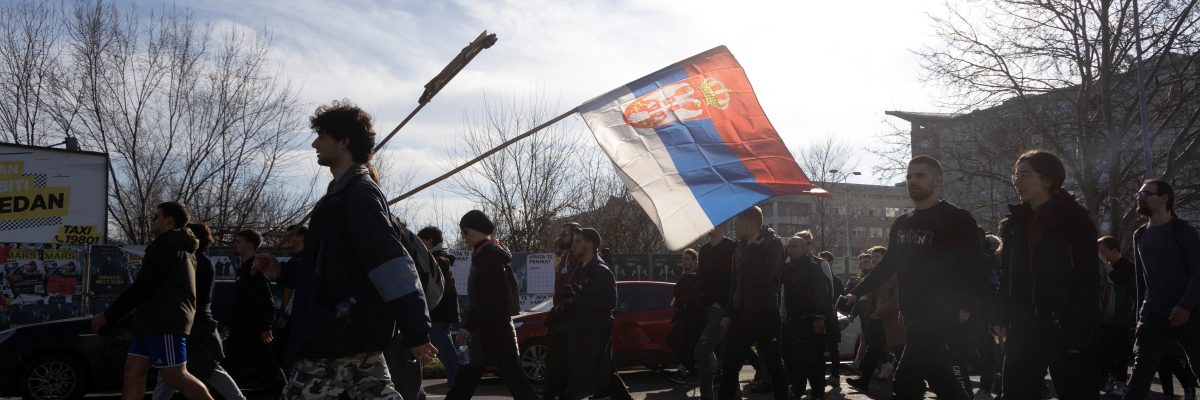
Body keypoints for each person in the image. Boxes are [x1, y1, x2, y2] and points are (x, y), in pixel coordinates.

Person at [260, 100, 436, 399]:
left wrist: (416, 330)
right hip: (348, 333)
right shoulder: (338, 197)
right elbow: (330, 267)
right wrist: (284, 271)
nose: (315, 143)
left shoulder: (358, 196)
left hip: (337, 335)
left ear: (343, 142)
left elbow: (392, 266)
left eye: (322, 136)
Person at [841, 156, 988, 400]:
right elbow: (889, 264)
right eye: (909, 176)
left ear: (938, 181)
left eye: (920, 176)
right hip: (911, 313)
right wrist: (857, 291)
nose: (912, 181)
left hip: (942, 310)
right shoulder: (902, 222)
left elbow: (974, 267)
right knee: (939, 375)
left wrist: (967, 306)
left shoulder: (956, 218)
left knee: (907, 379)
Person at [992, 150, 1100, 400]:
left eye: (1025, 175)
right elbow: (1007, 276)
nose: (1017, 181)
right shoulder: (1014, 224)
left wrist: (1080, 327)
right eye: (1015, 175)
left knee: (1076, 392)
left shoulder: (1073, 219)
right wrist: (1000, 313)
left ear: (1048, 180)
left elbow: (1088, 279)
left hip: (1064, 325)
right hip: (1023, 326)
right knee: (1016, 392)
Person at [90, 202, 213, 400]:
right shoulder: (175, 246)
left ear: (169, 221)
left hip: (164, 321)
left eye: (156, 216)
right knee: (133, 373)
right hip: (149, 320)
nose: (152, 221)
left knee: (174, 375)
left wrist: (108, 315)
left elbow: (145, 285)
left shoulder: (168, 245)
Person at [446, 210, 539, 400]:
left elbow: (485, 297)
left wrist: (469, 327)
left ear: (477, 230)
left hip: (489, 327)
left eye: (465, 231)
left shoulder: (487, 256)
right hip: (495, 326)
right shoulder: (490, 253)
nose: (464, 237)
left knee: (472, 376)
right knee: (504, 376)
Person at [1125, 179, 1200, 400]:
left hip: (1189, 313)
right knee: (1140, 376)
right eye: (1139, 193)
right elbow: (1142, 281)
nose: (1140, 197)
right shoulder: (1139, 235)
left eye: (1147, 193)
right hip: (1152, 315)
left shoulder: (1184, 230)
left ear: (1164, 198)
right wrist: (1139, 316)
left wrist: (1185, 305)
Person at [152, 223, 245, 400]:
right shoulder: (201, 260)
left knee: (182, 370)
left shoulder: (195, 261)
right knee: (194, 369)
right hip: (195, 323)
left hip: (192, 324)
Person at [718, 206, 788, 400]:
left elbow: (764, 277)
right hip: (741, 316)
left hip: (765, 315)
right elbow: (736, 282)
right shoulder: (739, 246)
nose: (734, 229)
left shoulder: (773, 245)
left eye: (737, 224)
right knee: (730, 366)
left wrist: (751, 250)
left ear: (748, 226)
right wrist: (728, 313)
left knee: (774, 366)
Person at [224, 229, 285, 391]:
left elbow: (267, 302)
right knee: (257, 360)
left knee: (262, 361)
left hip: (251, 329)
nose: (235, 244)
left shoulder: (256, 272)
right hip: (240, 327)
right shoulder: (245, 269)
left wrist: (265, 326)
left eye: (239, 241)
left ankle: (281, 388)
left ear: (250, 245)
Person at [782, 232, 838, 400]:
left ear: (805, 248)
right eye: (789, 246)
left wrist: (820, 317)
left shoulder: (813, 267)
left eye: (794, 246)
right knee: (791, 355)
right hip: (792, 320)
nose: (790, 249)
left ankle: (814, 391)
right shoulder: (787, 267)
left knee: (809, 358)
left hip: (809, 320)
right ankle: (801, 389)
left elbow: (822, 294)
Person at [846, 246, 904, 392]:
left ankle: (917, 382)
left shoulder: (895, 274)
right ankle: (864, 380)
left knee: (900, 351)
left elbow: (897, 300)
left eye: (877, 257)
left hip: (892, 320)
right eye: (872, 257)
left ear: (886, 258)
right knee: (874, 351)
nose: (873, 260)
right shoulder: (872, 277)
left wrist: (878, 312)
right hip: (876, 320)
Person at [694, 225, 736, 400]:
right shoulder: (703, 250)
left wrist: (725, 304)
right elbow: (701, 278)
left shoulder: (732, 247)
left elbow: (735, 279)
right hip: (707, 308)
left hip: (724, 309)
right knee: (722, 355)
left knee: (702, 351)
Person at [417, 226, 462, 387]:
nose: (419, 245)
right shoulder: (439, 259)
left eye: (421, 241)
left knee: (445, 351)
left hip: (438, 312)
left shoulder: (438, 261)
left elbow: (432, 288)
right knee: (445, 348)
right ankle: (457, 383)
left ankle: (458, 383)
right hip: (441, 313)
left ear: (429, 241)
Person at [543, 222, 583, 399]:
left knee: (563, 359)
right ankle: (553, 392)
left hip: (570, 316)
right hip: (560, 311)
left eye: (565, 234)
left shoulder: (578, 257)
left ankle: (559, 392)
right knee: (555, 358)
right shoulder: (565, 256)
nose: (561, 237)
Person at [1095, 236, 1137, 397]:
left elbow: (1121, 281)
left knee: (1119, 352)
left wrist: (1107, 268)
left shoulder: (1128, 266)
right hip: (1105, 316)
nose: (1101, 255)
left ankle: (1121, 383)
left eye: (1103, 251)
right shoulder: (1106, 266)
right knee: (1103, 351)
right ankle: (1105, 381)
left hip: (1122, 318)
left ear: (1114, 249)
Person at [666, 248, 704, 384]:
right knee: (679, 341)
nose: (684, 262)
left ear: (695, 261)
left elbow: (687, 296)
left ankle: (684, 370)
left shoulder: (697, 277)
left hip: (694, 315)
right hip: (686, 314)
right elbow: (676, 293)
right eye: (683, 259)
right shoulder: (686, 276)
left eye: (687, 259)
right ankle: (690, 368)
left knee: (684, 342)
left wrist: (682, 299)